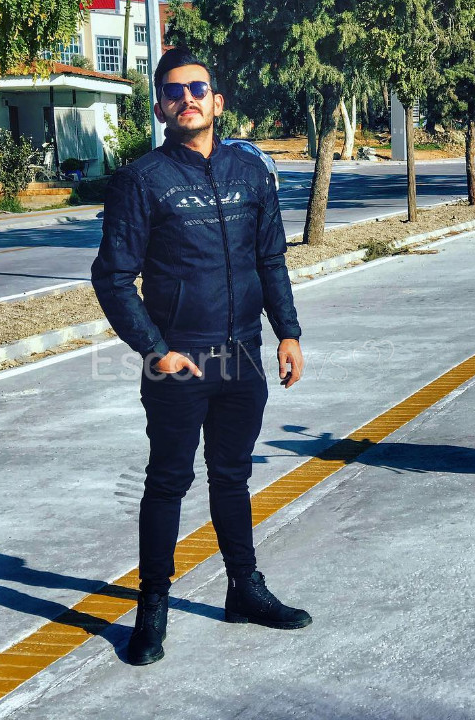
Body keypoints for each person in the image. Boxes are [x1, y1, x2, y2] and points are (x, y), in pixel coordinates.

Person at [91, 47, 312, 666]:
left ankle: (244, 590)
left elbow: (270, 258)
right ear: (160, 107)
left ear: (217, 100)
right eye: (173, 91)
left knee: (233, 476)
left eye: (197, 88)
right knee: (167, 483)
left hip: (243, 356)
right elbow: (112, 277)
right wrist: (156, 352)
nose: (186, 98)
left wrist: (288, 333)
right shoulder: (141, 180)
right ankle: (152, 609)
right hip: (179, 364)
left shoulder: (251, 172)